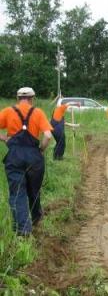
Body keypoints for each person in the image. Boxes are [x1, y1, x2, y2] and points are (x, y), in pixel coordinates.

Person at [0, 87, 53, 236]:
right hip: (34, 157)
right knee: (34, 191)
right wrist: (41, 150)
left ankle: (23, 230)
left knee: (17, 193)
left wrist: (5, 138)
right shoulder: (38, 112)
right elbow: (48, 136)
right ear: (32, 98)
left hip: (15, 156)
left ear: (17, 99)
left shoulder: (8, 111)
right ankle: (36, 218)